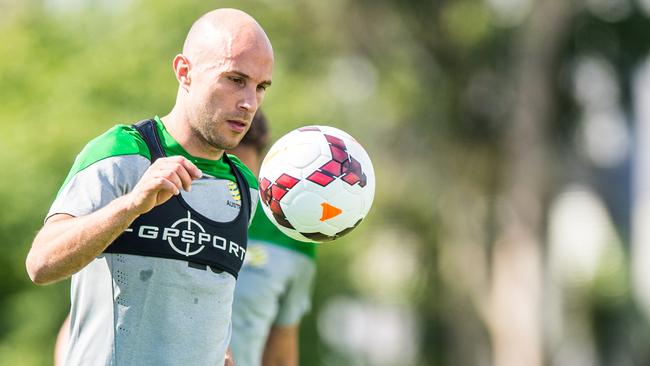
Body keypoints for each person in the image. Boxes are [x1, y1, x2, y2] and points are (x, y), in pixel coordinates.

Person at [26, 8, 274, 366]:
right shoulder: (123, 152)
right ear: (184, 72)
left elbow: (199, 307)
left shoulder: (245, 187)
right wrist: (132, 205)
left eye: (260, 86)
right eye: (235, 79)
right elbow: (41, 263)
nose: (249, 102)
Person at [228, 111, 317, 366]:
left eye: (241, 176)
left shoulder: (291, 231)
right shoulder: (162, 203)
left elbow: (281, 351)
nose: (230, 187)